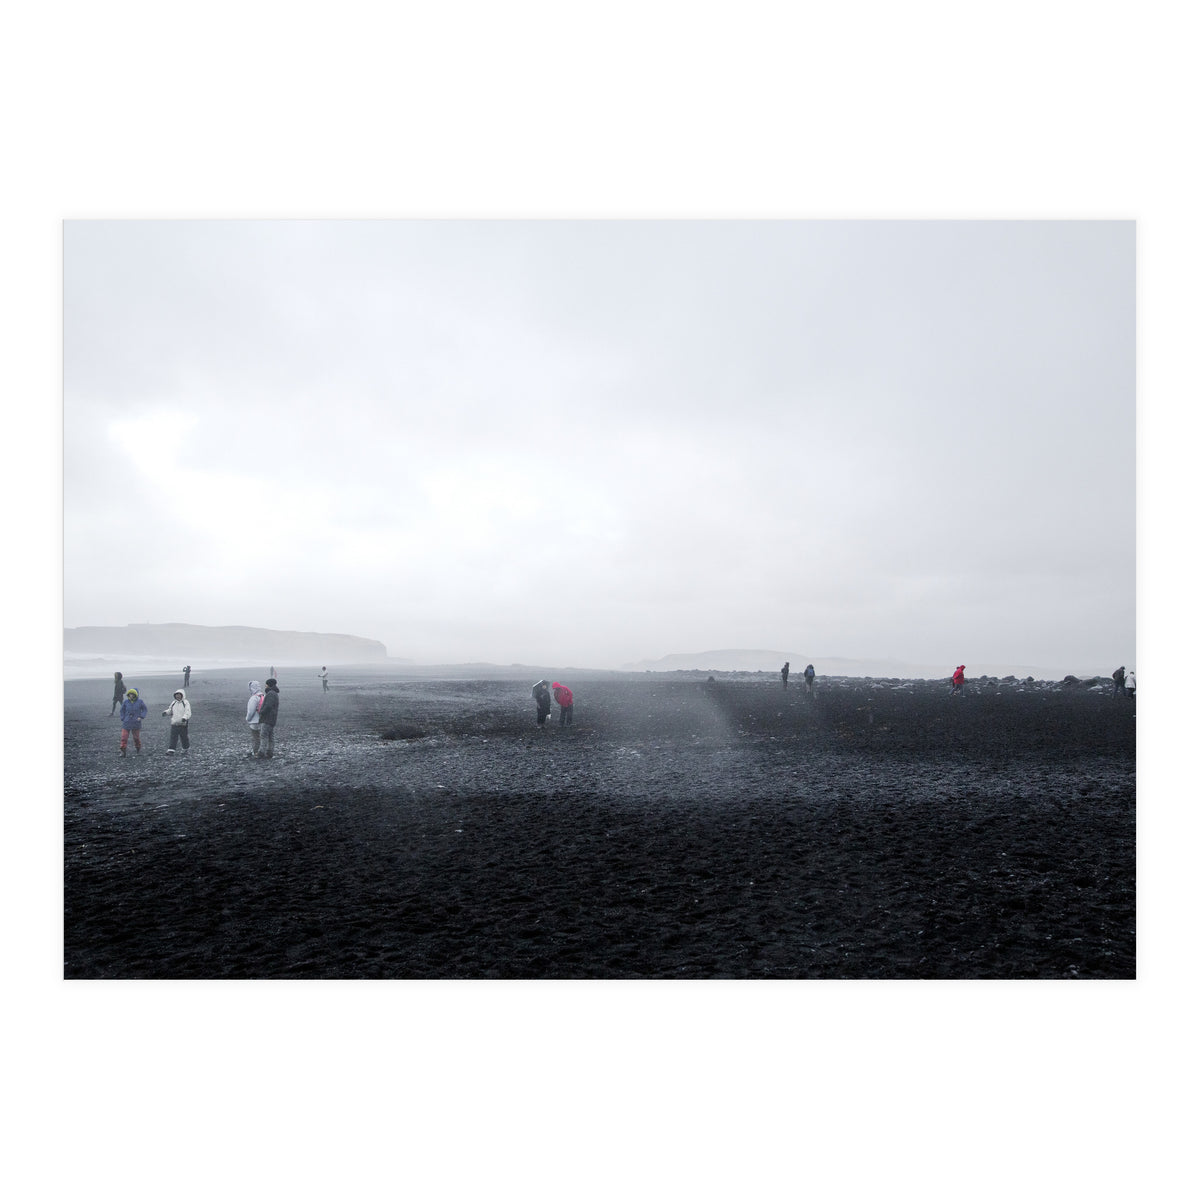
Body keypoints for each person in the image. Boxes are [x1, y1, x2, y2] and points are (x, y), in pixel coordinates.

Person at [118, 688, 148, 756]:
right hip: (126, 722)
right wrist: (123, 718)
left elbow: (144, 709)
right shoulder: (126, 702)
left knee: (136, 738)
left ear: (135, 695)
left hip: (135, 722)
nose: (131, 695)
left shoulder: (140, 702)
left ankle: (138, 748)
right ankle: (123, 750)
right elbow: (122, 710)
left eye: (132, 694)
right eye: (130, 694)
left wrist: (141, 716)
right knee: (124, 737)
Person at [162, 688, 192, 754]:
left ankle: (185, 748)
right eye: (176, 695)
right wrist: (166, 712)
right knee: (173, 737)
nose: (177, 696)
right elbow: (170, 710)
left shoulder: (185, 702)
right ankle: (171, 750)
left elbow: (188, 711)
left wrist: (185, 718)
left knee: (184, 737)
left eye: (179, 695)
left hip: (183, 724)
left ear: (182, 695)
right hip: (174, 723)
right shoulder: (174, 702)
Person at [258, 677, 280, 757]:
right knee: (270, 735)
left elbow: (268, 706)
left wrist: (261, 712)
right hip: (272, 719)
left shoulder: (270, 694)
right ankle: (270, 752)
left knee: (264, 735)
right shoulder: (274, 693)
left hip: (268, 718)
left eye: (266, 684)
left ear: (269, 685)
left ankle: (261, 752)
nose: (265, 686)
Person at [245, 680, 265, 757]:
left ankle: (256, 752)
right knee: (262, 737)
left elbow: (251, 711)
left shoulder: (254, 698)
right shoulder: (264, 696)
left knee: (255, 737)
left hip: (254, 721)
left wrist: (248, 719)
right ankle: (263, 751)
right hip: (263, 720)